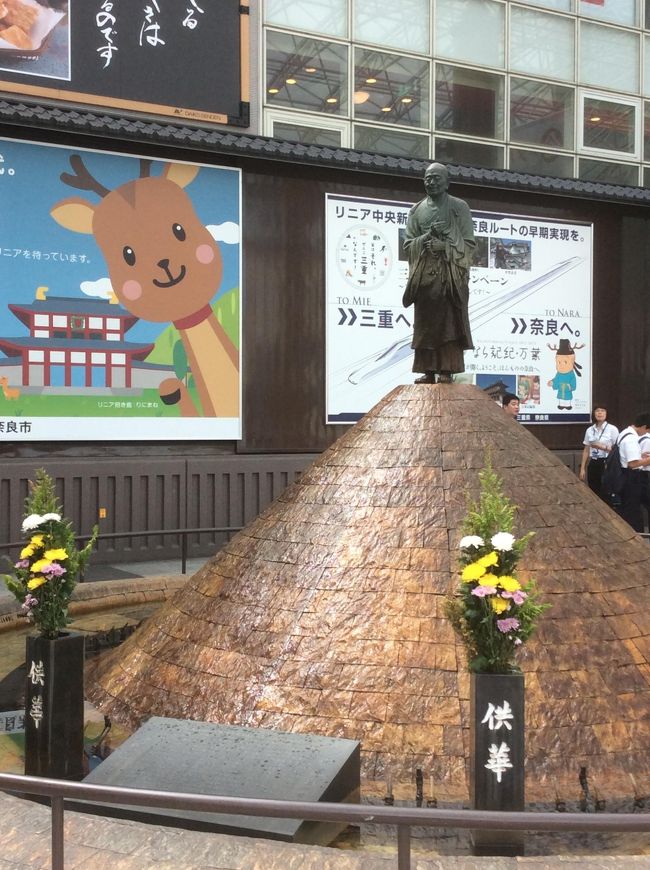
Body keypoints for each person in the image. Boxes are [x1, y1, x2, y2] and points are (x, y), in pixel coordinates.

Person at [402, 162, 475, 384]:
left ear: (447, 182)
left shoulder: (459, 207)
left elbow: (469, 244)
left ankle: (447, 369)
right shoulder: (416, 210)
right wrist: (425, 239)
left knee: (449, 324)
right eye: (427, 178)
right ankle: (429, 370)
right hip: (425, 276)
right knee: (425, 325)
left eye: (436, 178)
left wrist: (446, 247)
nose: (431, 182)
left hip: (450, 276)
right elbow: (408, 245)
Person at [617, 412, 650, 533]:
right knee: (633, 509)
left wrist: (641, 456)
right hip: (630, 477)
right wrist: (648, 460)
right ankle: (637, 535)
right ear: (643, 426)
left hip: (624, 475)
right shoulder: (631, 439)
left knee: (630, 507)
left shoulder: (624, 433)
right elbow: (633, 464)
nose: (646, 434)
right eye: (647, 431)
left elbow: (626, 456)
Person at [579, 406, 619, 501]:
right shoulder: (590, 430)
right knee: (593, 490)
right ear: (594, 413)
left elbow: (617, 449)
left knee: (605, 491)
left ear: (606, 413)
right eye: (597, 411)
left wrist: (602, 447)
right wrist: (582, 469)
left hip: (607, 463)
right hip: (594, 462)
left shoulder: (612, 429)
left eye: (602, 411)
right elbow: (586, 450)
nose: (599, 413)